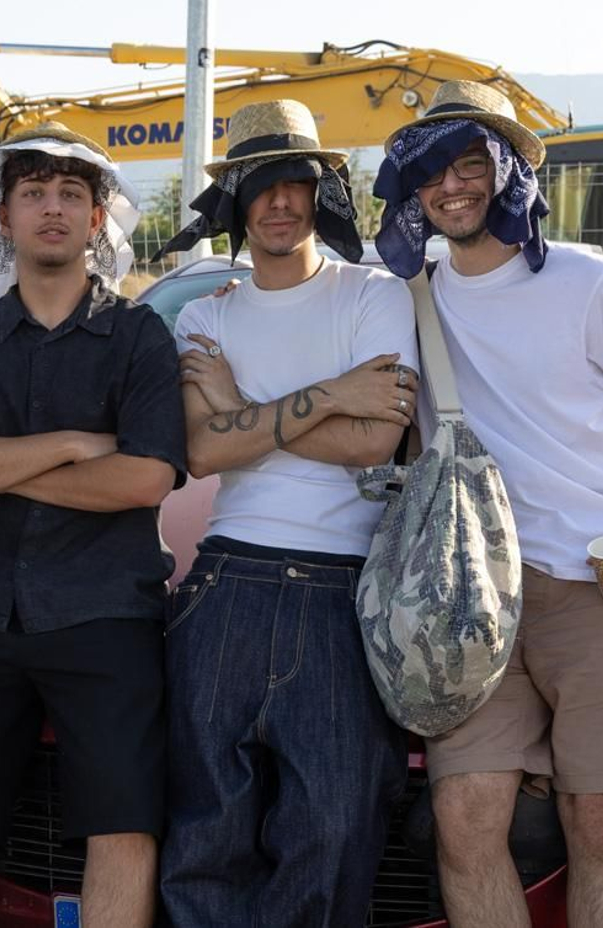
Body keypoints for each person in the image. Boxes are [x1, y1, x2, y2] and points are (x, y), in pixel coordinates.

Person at [371, 80, 603, 928]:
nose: (452, 185)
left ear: (509, 171)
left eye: (470, 163)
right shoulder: (407, 300)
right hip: (472, 600)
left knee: (600, 822)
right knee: (464, 822)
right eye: (431, 170)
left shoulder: (590, 281)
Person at [0, 123, 186, 928]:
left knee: (122, 828)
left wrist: (3, 469)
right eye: (33, 193)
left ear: (96, 219)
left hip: (106, 615)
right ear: (4, 217)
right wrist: (67, 447)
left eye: (71, 194)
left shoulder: (138, 338)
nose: (52, 208)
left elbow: (146, 476)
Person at [155, 99, 415, 926]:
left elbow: (378, 440)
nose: (276, 202)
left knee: (335, 831)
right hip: (225, 579)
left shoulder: (375, 297)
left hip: (343, 590)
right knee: (205, 836)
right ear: (235, 202)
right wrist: (333, 395)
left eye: (292, 182)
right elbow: (202, 453)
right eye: (256, 185)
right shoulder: (205, 315)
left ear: (320, 192)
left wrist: (249, 409)